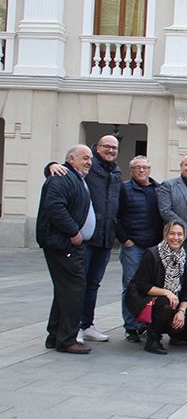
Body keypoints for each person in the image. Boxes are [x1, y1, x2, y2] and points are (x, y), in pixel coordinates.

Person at [47, 135, 122, 344]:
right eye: (106, 146)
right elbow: (64, 172)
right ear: (97, 148)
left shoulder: (116, 172)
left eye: (114, 148)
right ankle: (71, 328)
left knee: (92, 285)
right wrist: (51, 166)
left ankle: (86, 324)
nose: (110, 150)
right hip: (84, 241)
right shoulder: (85, 167)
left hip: (105, 238)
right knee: (75, 285)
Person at [36, 144, 94, 354]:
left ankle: (55, 335)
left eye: (90, 158)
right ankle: (67, 339)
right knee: (73, 290)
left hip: (71, 244)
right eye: (84, 158)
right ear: (70, 159)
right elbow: (54, 207)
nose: (89, 161)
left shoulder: (76, 177)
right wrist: (73, 232)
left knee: (65, 290)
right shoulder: (61, 176)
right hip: (64, 244)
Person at [124, 221, 187, 355]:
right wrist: (167, 292)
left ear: (184, 237)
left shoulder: (185, 260)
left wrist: (181, 312)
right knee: (165, 303)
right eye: (172, 233)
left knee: (185, 323)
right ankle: (152, 340)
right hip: (145, 299)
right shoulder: (153, 254)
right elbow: (142, 285)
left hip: (172, 301)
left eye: (179, 234)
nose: (175, 238)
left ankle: (173, 334)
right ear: (166, 235)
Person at [117, 155, 162, 344]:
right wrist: (125, 240)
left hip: (152, 247)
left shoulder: (158, 189)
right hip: (133, 245)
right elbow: (116, 216)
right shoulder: (124, 189)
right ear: (131, 170)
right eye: (137, 167)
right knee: (130, 285)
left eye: (145, 167)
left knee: (148, 287)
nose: (141, 170)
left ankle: (143, 322)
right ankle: (131, 327)